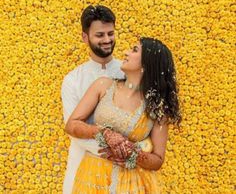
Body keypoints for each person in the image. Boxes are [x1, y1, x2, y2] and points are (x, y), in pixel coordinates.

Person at [65, 37, 182, 193]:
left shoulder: (157, 108)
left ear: (148, 63)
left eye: (134, 50)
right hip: (92, 178)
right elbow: (71, 125)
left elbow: (158, 160)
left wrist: (133, 154)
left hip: (131, 184)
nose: (126, 52)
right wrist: (104, 133)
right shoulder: (103, 85)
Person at [61, 5, 124, 194]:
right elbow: (73, 130)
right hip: (83, 169)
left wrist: (131, 154)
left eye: (110, 33)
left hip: (125, 173)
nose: (107, 40)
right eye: (100, 35)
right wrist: (116, 151)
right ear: (85, 37)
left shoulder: (129, 72)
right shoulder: (73, 80)